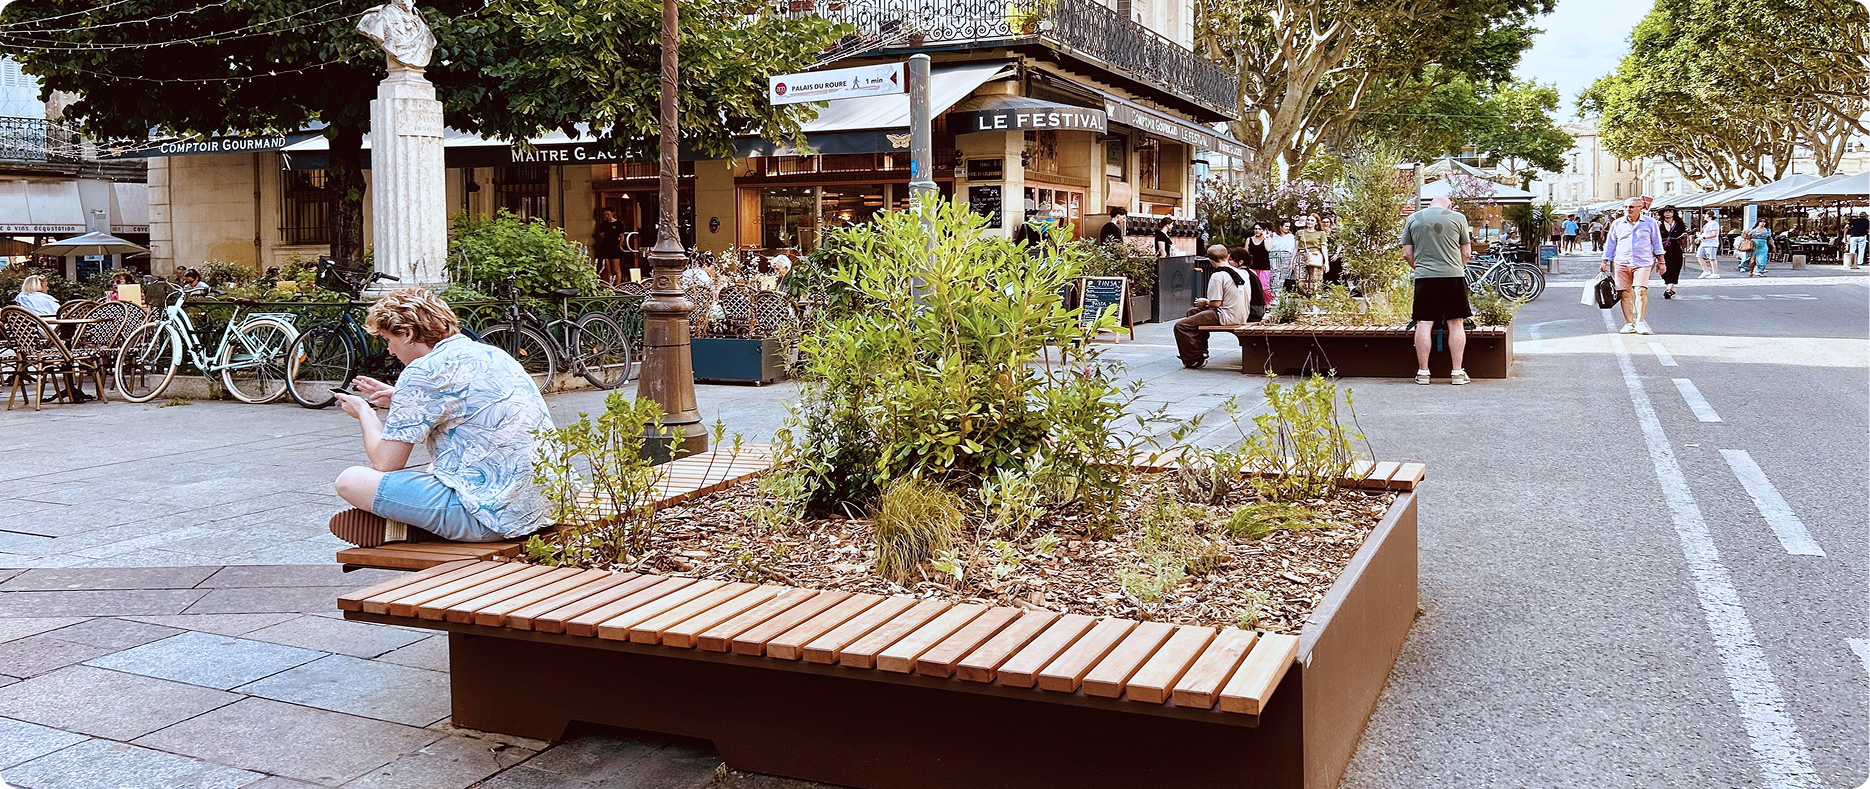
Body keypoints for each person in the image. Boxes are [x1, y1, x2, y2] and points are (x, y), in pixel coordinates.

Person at [328, 289, 554, 547]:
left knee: (351, 480)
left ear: (408, 334)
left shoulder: (422, 371)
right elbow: (459, 401)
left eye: (388, 339)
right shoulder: (493, 354)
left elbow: (386, 462)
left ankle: (417, 527)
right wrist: (400, 398)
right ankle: (415, 524)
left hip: (490, 519)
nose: (390, 350)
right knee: (434, 469)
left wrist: (364, 413)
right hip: (541, 507)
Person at [1400, 196, 1474, 385]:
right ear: (1448, 206)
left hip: (1425, 277)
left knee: (1423, 322)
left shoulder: (1413, 219)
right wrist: (1457, 266)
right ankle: (1457, 372)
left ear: (1429, 205)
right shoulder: (1458, 218)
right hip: (1453, 276)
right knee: (1456, 322)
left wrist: (1419, 268)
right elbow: (1466, 252)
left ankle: (1423, 372)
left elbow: (1407, 253)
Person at [1172, 244, 1251, 369]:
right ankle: (1202, 350)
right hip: (1242, 314)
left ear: (1211, 261)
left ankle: (1194, 358)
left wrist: (1205, 302)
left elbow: (1216, 303)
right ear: (1227, 256)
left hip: (1225, 316)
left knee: (1181, 326)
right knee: (1192, 312)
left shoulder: (1218, 276)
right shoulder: (1243, 272)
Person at [1601, 197, 1664, 335]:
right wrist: (1605, 260)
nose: (1627, 210)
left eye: (1631, 207)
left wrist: (1661, 261)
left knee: (1641, 290)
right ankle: (1629, 322)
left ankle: (1640, 322)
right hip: (1622, 261)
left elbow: (1657, 243)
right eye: (1625, 207)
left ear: (1640, 208)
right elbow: (1610, 243)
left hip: (1643, 262)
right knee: (1625, 292)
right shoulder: (1618, 223)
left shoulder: (1650, 223)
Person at [1657, 207, 1690, 299]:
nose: (1667, 213)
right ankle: (1671, 288)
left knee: (1674, 268)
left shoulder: (1679, 224)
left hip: (1676, 249)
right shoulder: (1658, 224)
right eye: (1665, 212)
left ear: (1673, 213)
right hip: (1663, 250)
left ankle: (1668, 289)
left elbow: (1684, 235)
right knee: (1664, 270)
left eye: (1670, 211)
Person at [594, 208, 626, 286]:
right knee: (607, 268)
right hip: (606, 247)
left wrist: (619, 244)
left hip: (615, 247)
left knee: (616, 268)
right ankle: (610, 285)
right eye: (604, 214)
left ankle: (618, 285)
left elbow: (622, 237)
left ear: (612, 213)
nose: (606, 216)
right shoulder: (604, 224)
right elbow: (601, 234)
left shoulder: (618, 224)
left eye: (608, 214)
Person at [1244, 222, 1275, 303]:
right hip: (1252, 266)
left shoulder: (1268, 239)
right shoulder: (1249, 240)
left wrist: (1265, 237)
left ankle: (1269, 302)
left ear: (1264, 230)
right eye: (1255, 229)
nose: (1257, 231)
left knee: (1264, 287)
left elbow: (1268, 249)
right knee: (1253, 287)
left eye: (1259, 229)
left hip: (1264, 267)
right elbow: (1245, 253)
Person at [1264, 219, 1297, 294]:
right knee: (1275, 275)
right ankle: (1274, 294)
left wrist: (1293, 260)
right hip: (1274, 256)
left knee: (1283, 276)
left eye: (1289, 226)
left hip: (1286, 256)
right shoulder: (1273, 235)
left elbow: (1293, 248)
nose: (1287, 228)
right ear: (1280, 227)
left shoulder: (1291, 237)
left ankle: (1279, 295)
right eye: (1286, 226)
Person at [1695, 214, 1723, 279]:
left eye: (1706, 215)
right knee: (1699, 256)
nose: (1704, 216)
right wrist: (1700, 238)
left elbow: (1714, 234)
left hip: (1711, 244)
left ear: (1710, 216)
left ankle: (1715, 273)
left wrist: (1704, 237)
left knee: (1712, 258)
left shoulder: (1714, 223)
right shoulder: (1707, 224)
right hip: (1704, 243)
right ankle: (1706, 271)